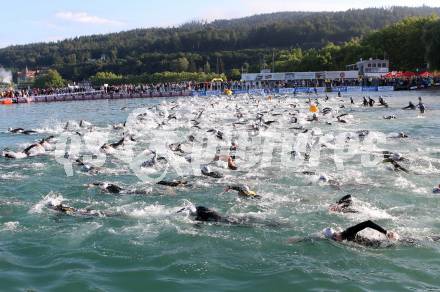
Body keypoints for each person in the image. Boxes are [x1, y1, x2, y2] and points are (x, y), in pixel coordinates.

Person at [323, 220, 398, 247]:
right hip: (373, 244)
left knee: (401, 242)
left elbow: (368, 223)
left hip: (377, 244)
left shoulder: (349, 231)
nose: (336, 239)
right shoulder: (343, 238)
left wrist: (385, 232)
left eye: (335, 236)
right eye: (334, 239)